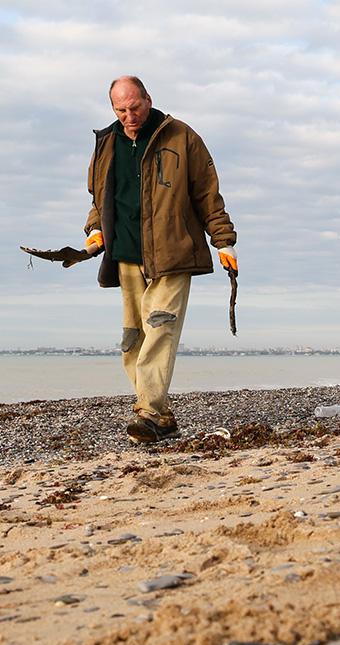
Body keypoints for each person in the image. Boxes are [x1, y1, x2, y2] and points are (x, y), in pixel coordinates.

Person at [82, 75, 237, 444]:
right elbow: (99, 195)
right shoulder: (107, 143)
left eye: (134, 107)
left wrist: (224, 242)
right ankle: (161, 417)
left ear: (148, 99)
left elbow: (207, 194)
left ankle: (149, 411)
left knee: (160, 326)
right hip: (125, 254)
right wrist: (94, 229)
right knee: (132, 338)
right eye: (121, 109)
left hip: (173, 251)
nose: (129, 116)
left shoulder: (182, 137)